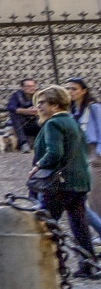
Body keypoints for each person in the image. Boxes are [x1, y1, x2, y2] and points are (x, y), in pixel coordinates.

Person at [29, 85, 96, 277]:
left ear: (56, 105)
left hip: (60, 184)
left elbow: (55, 153)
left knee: (44, 224)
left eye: (43, 103)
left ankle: (49, 264)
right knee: (79, 226)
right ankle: (88, 265)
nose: (39, 107)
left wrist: (38, 166)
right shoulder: (71, 121)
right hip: (79, 182)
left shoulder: (53, 124)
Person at [69, 79, 101, 240]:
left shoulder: (94, 108)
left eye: (74, 89)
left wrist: (99, 152)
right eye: (68, 89)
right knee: (90, 194)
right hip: (81, 154)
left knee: (95, 193)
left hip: (94, 153)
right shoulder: (72, 110)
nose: (70, 92)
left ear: (83, 90)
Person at [8, 78, 42, 150]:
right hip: (23, 124)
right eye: (28, 86)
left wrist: (38, 109)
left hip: (36, 122)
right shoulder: (17, 95)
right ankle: (24, 143)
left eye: (33, 86)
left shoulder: (39, 95)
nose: (31, 88)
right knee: (14, 115)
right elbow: (11, 107)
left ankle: (41, 143)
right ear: (22, 88)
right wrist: (26, 111)